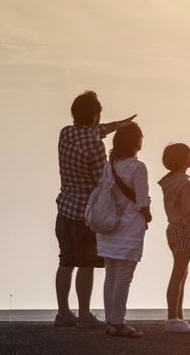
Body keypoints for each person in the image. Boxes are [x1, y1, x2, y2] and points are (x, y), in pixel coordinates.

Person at [54, 90, 135, 328]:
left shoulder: (67, 133)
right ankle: (85, 314)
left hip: (64, 207)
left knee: (65, 262)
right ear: (96, 115)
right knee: (86, 263)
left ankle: (63, 313)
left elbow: (95, 131)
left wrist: (120, 124)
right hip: (85, 213)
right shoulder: (95, 145)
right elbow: (104, 179)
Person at [96, 122, 152, 338]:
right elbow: (142, 200)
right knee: (124, 276)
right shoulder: (138, 167)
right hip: (129, 227)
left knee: (110, 275)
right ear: (136, 142)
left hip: (108, 226)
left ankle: (111, 320)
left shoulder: (109, 166)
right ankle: (119, 322)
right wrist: (148, 215)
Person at [158, 143, 190, 333]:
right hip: (183, 229)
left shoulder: (170, 181)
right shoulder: (184, 182)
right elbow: (188, 213)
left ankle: (178, 315)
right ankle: (173, 318)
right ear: (183, 158)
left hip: (172, 228)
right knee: (179, 273)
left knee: (182, 272)